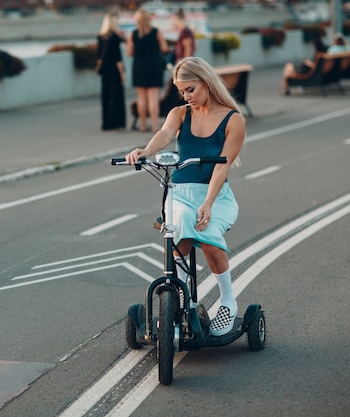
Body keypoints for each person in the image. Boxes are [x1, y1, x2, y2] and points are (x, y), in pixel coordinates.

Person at [125, 57, 246, 337]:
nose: (185, 96)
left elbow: (222, 166)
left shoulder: (233, 120)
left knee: (211, 241)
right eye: (181, 91)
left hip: (214, 195)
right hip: (179, 194)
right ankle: (179, 301)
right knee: (179, 233)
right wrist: (144, 151)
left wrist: (208, 203)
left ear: (206, 82)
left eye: (190, 89)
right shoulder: (180, 114)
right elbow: (165, 134)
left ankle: (228, 301)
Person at [126, 8, 170, 133]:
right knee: (153, 97)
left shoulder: (132, 34)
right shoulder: (156, 32)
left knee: (141, 97)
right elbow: (164, 48)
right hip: (154, 66)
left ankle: (143, 125)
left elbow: (129, 52)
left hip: (139, 66)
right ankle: (155, 125)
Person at [96, 12, 126, 131]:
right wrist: (122, 73)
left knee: (106, 96)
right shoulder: (115, 37)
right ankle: (115, 122)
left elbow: (99, 56)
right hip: (114, 70)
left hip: (104, 70)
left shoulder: (100, 37)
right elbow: (118, 58)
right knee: (115, 96)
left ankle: (106, 122)